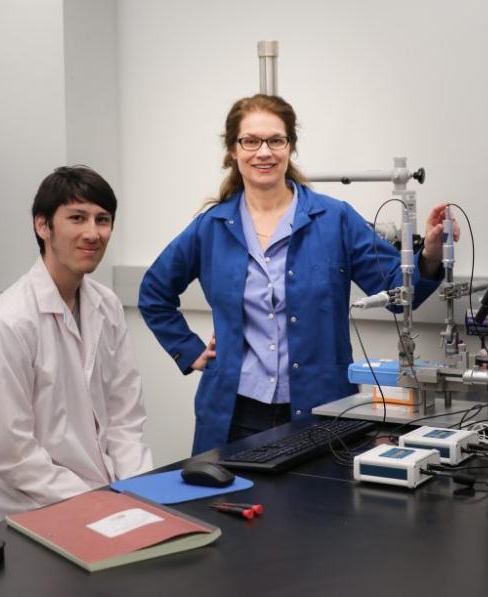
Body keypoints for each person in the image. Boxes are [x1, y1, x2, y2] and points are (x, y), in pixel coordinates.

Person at [138, 94, 457, 455]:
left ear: (290, 147)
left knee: (317, 508)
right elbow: (153, 293)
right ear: (232, 150)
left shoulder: (335, 219)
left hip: (321, 409)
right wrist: (189, 350)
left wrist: (430, 252)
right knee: (224, 508)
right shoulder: (210, 227)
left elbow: (398, 293)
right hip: (234, 413)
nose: (264, 152)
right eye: (251, 141)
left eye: (276, 140)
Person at [0, 166, 153, 528]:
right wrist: (101, 505)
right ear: (42, 226)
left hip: (107, 506)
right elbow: (14, 455)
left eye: (103, 220)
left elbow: (125, 418)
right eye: (77, 218)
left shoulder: (106, 305)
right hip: (31, 518)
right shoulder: (9, 324)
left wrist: (137, 493)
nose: (92, 233)